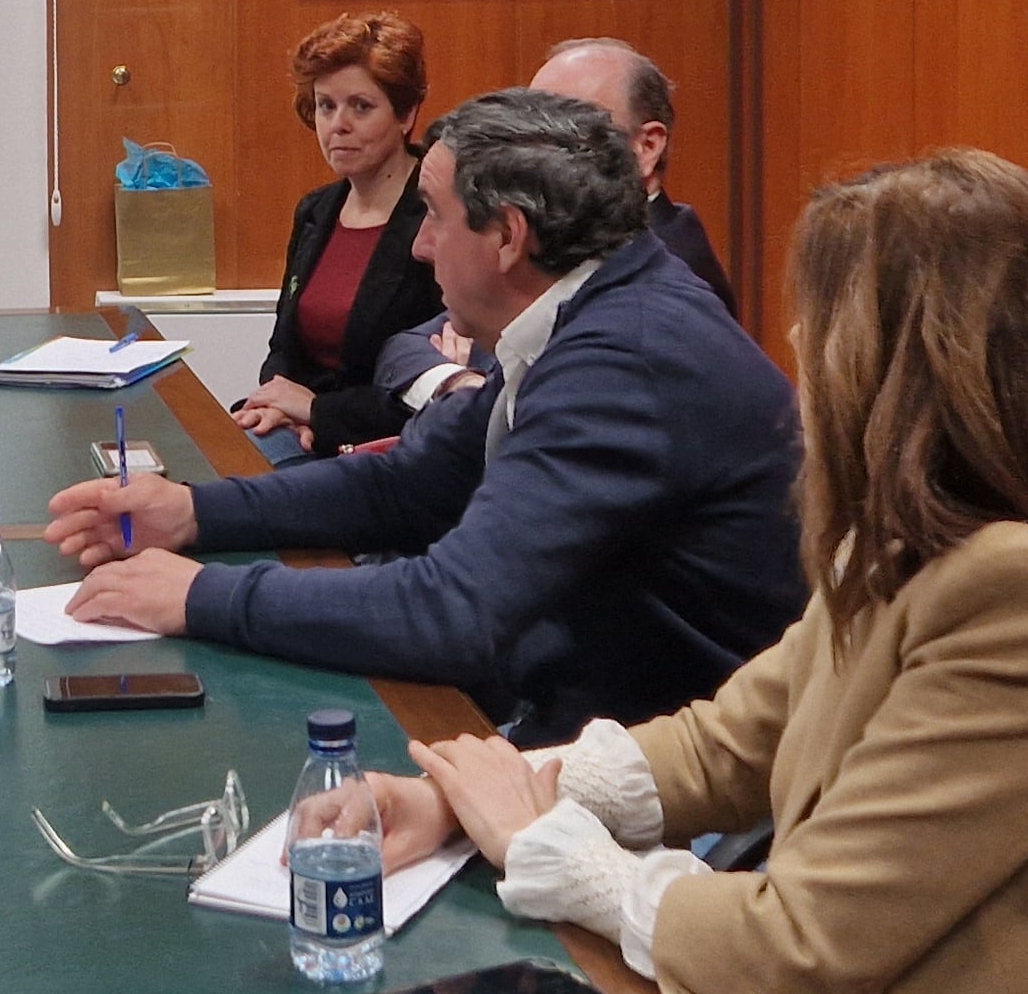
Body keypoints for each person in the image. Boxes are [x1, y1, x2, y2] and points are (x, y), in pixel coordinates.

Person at [376, 150, 1028, 994]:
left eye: (823, 319)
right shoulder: (905, 550)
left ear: (904, 364)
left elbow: (800, 947)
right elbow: (724, 745)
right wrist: (456, 799)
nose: (800, 344)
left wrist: (545, 843)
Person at [48, 89, 805, 742]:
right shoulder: (596, 308)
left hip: (669, 772)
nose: (418, 247)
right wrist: (190, 513)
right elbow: (410, 486)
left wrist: (198, 595)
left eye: (434, 217)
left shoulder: (624, 359)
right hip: (599, 715)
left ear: (508, 236)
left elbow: (453, 613)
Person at [231, 11, 452, 459]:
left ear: (406, 113)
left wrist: (320, 413)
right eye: (326, 106)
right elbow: (283, 349)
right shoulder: (315, 210)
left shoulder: (440, 213)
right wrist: (283, 408)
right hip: (301, 432)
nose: (338, 125)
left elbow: (436, 383)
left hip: (397, 446)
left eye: (361, 106)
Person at [532, 36, 738, 314]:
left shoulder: (671, 275)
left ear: (647, 147)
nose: (535, 152)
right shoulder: (560, 243)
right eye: (531, 128)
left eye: (567, 129)